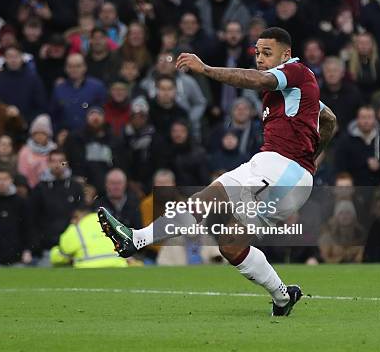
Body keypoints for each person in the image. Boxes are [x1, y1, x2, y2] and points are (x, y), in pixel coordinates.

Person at [99, 27, 338, 316]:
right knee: (231, 244)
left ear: (285, 54)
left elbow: (259, 79)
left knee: (206, 200)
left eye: (267, 53)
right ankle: (283, 297)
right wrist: (311, 158)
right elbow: (328, 119)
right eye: (257, 53)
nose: (260, 58)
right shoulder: (297, 92)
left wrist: (206, 69)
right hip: (292, 177)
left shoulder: (295, 71)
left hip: (280, 167)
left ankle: (135, 239)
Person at [29, 149, 83, 258]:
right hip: (47, 247)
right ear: (48, 164)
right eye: (54, 161)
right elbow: (32, 219)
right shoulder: (39, 188)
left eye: (61, 161)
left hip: (72, 246)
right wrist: (37, 245)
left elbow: (81, 214)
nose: (57, 165)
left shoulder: (76, 187)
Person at [50, 207, 128, 268]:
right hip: (118, 266)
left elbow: (58, 257)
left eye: (74, 217)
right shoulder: (111, 223)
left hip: (87, 269)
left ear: (78, 215)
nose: (72, 221)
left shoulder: (76, 228)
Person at [17, 114, 57, 188]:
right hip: (30, 188)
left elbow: (63, 163)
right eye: (36, 133)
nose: (39, 136)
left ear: (48, 135)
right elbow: (21, 172)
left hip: (52, 187)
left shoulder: (55, 149)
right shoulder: (25, 151)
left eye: (43, 133)